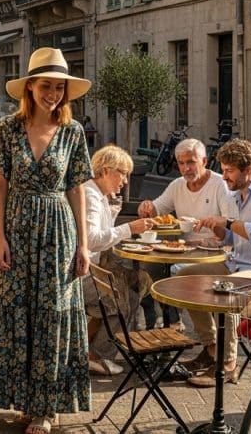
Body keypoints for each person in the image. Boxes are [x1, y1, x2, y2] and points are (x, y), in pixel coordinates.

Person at [0, 47, 93, 434]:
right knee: (16, 313)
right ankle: (23, 401)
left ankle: (46, 408)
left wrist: (84, 244)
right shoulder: (8, 128)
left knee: (52, 316)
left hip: (58, 233)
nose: (53, 94)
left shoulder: (73, 131)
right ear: (29, 87)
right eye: (46, 86)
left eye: (59, 88)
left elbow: (77, 190)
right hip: (17, 231)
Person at [177, 138, 251, 387]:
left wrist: (227, 222)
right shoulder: (237, 195)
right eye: (224, 169)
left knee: (228, 289)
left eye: (229, 170)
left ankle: (228, 364)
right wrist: (217, 227)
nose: (224, 175)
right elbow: (230, 237)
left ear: (248, 170)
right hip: (236, 264)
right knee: (184, 277)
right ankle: (212, 347)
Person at [137, 138, 238, 329]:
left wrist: (209, 225)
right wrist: (147, 207)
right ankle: (173, 321)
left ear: (204, 162)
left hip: (215, 253)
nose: (186, 168)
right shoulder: (177, 185)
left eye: (191, 162)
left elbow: (231, 226)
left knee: (179, 275)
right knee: (151, 266)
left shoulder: (219, 185)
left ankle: (208, 335)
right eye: (181, 163)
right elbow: (158, 208)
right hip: (185, 250)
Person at [81, 145, 154, 376]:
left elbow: (101, 236)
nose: (124, 180)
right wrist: (130, 228)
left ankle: (96, 351)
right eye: (122, 173)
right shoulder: (91, 196)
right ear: (105, 170)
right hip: (79, 274)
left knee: (134, 290)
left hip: (90, 268)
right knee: (124, 300)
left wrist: (112, 212)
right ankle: (97, 356)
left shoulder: (98, 194)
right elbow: (93, 240)